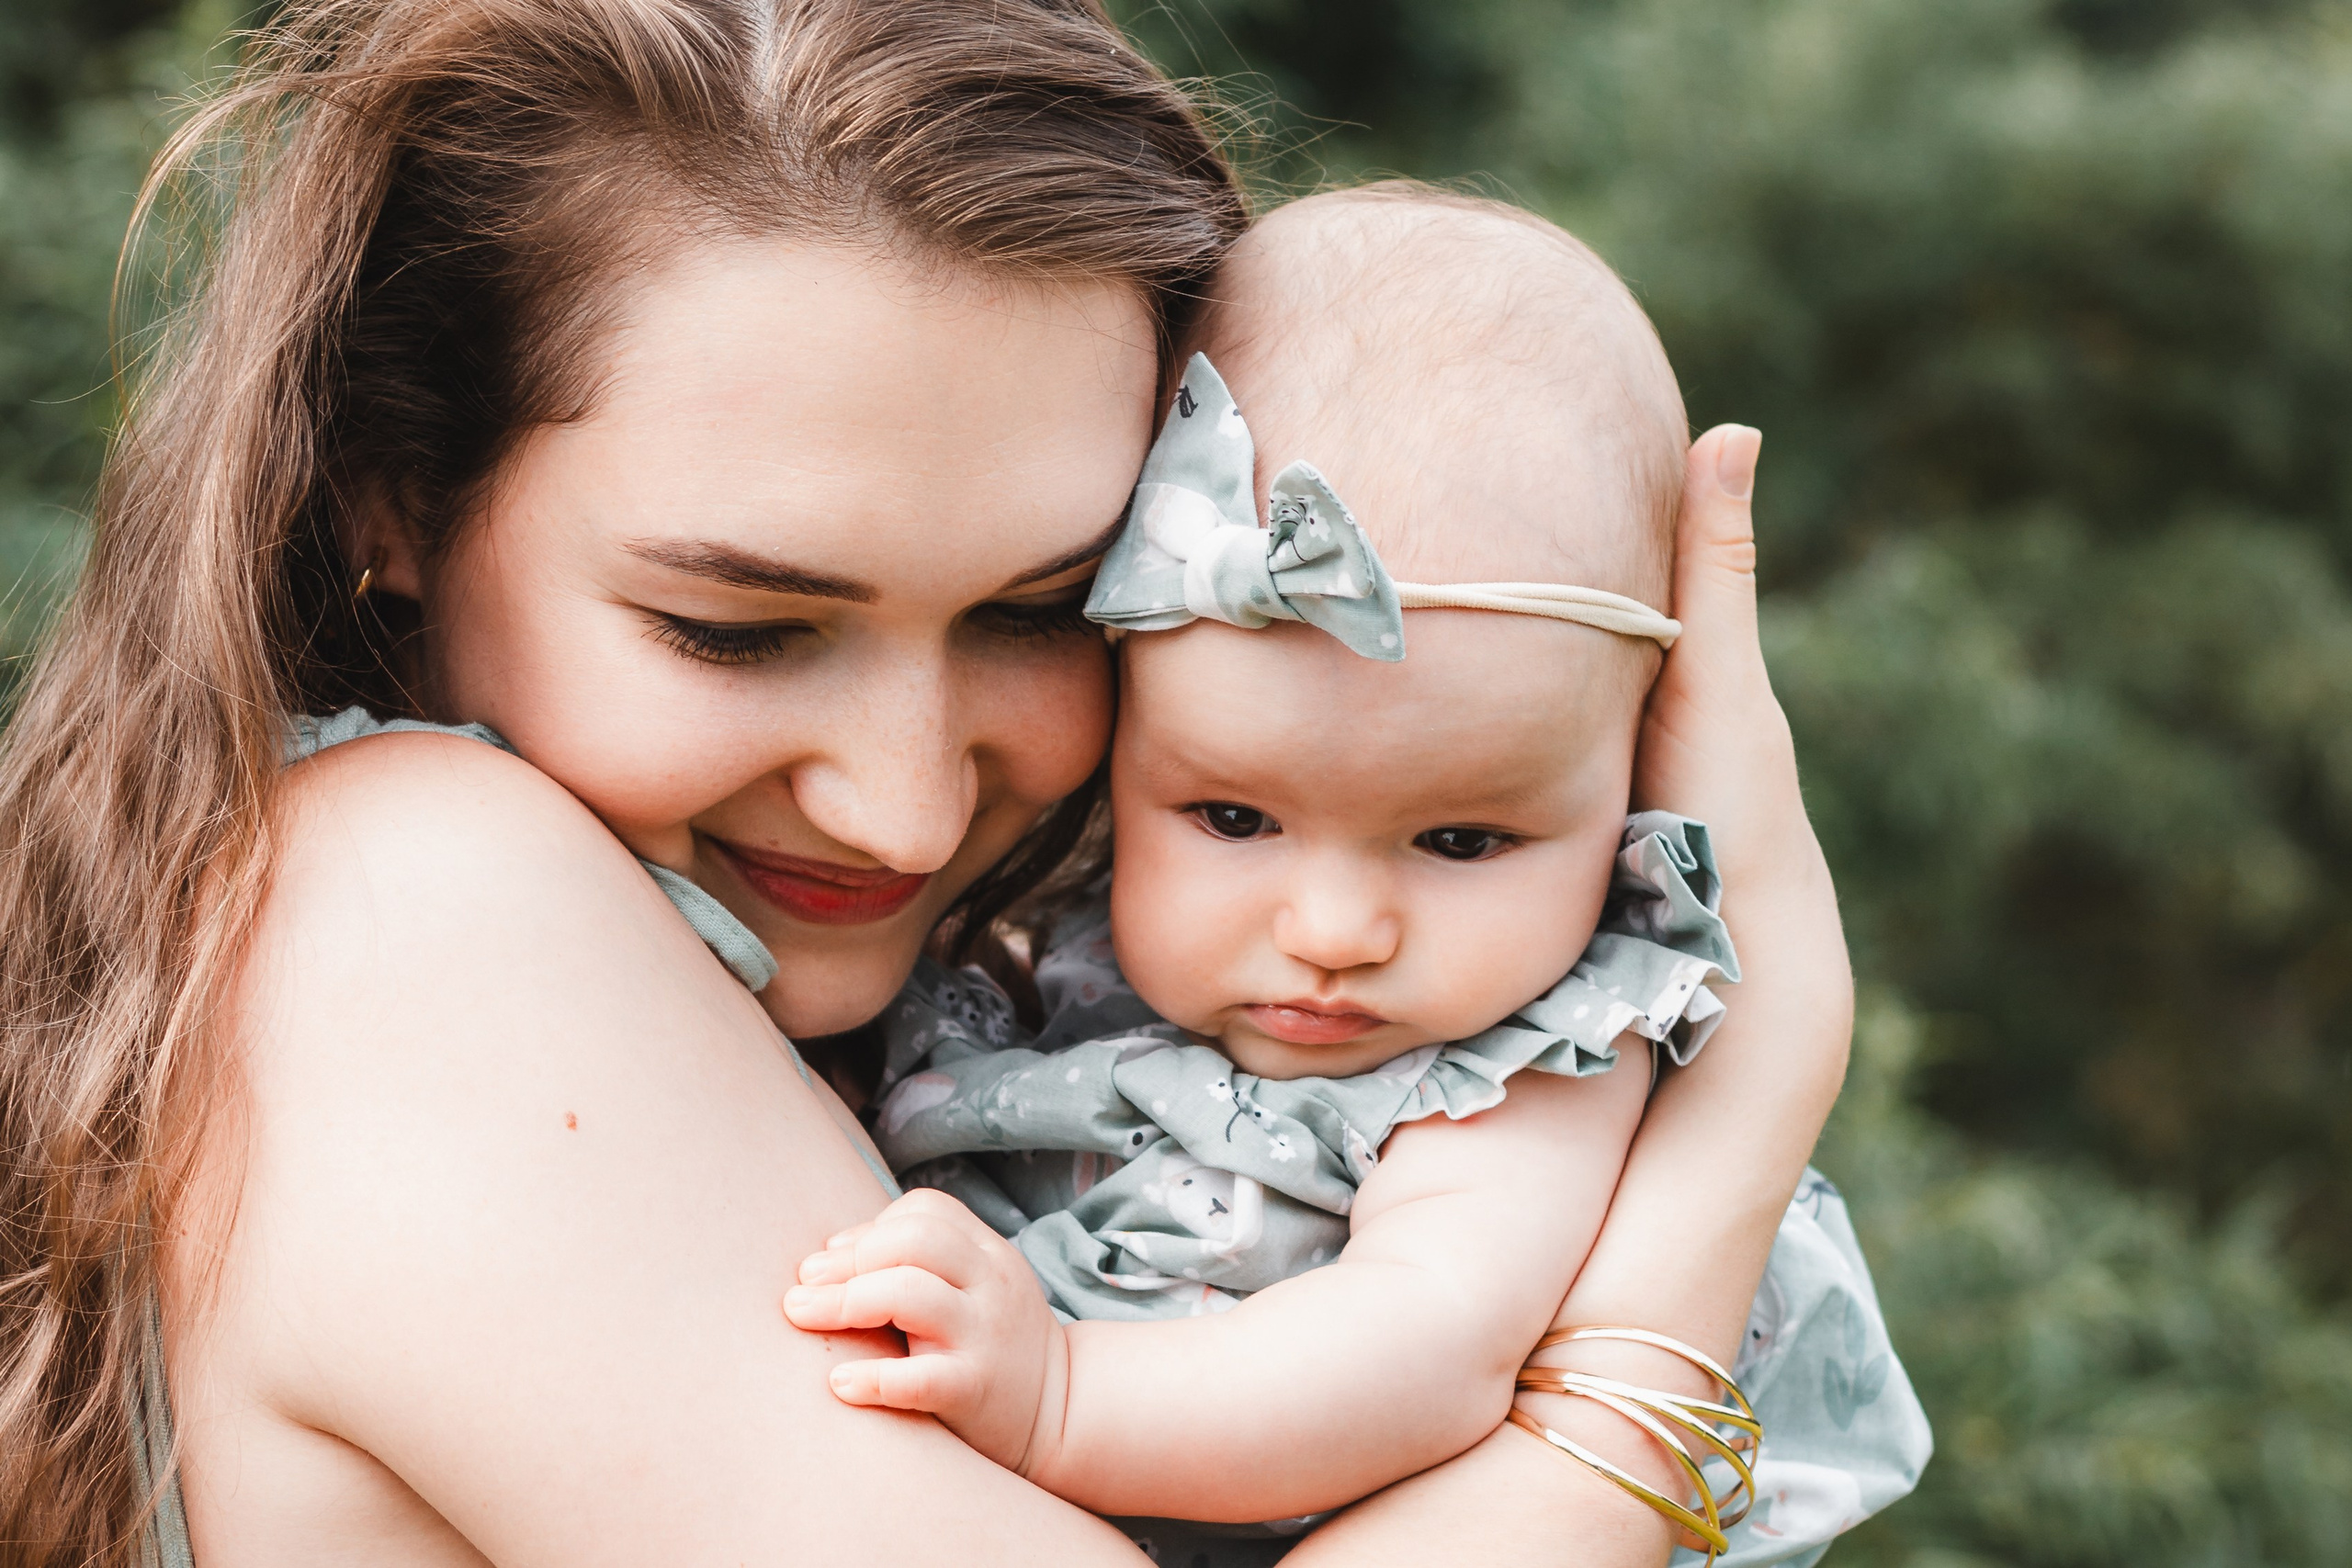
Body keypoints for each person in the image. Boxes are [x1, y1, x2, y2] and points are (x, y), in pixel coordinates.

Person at [0, 4, 1891, 1567]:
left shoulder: (926, 1015)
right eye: (737, 630)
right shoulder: (415, 906)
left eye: (1037, 612)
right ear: (389, 504)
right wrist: (1732, 1109)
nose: (906, 809)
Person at [786, 190, 1928, 1563]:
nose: (1332, 933)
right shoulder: (1052, 951)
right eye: (1230, 815)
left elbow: (1418, 1344)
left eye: (1460, 842)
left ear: (1629, 793)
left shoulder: (1528, 1068)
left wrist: (1060, 1395)